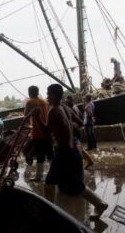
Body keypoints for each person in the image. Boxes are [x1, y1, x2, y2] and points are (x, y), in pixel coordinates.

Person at [36, 84, 108, 220]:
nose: (47, 97)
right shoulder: (65, 108)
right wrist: (67, 128)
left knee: (51, 182)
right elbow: (80, 122)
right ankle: (100, 204)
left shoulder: (53, 111)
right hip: (72, 149)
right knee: (72, 184)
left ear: (54, 95)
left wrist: (37, 117)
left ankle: (49, 211)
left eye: (48, 94)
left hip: (64, 151)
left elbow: (45, 132)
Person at [24, 86, 53, 181]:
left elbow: (26, 117)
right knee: (50, 154)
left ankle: (38, 176)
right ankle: (55, 172)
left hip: (37, 132)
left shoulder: (29, 103)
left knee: (40, 155)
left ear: (29, 93)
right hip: (47, 131)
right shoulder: (44, 102)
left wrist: (29, 127)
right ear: (37, 92)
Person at [65, 95, 94, 169]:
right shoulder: (75, 107)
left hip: (73, 130)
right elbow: (80, 116)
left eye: (67, 100)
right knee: (78, 147)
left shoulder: (70, 109)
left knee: (76, 147)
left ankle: (83, 163)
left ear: (70, 101)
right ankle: (88, 161)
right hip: (76, 129)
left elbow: (74, 118)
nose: (66, 102)